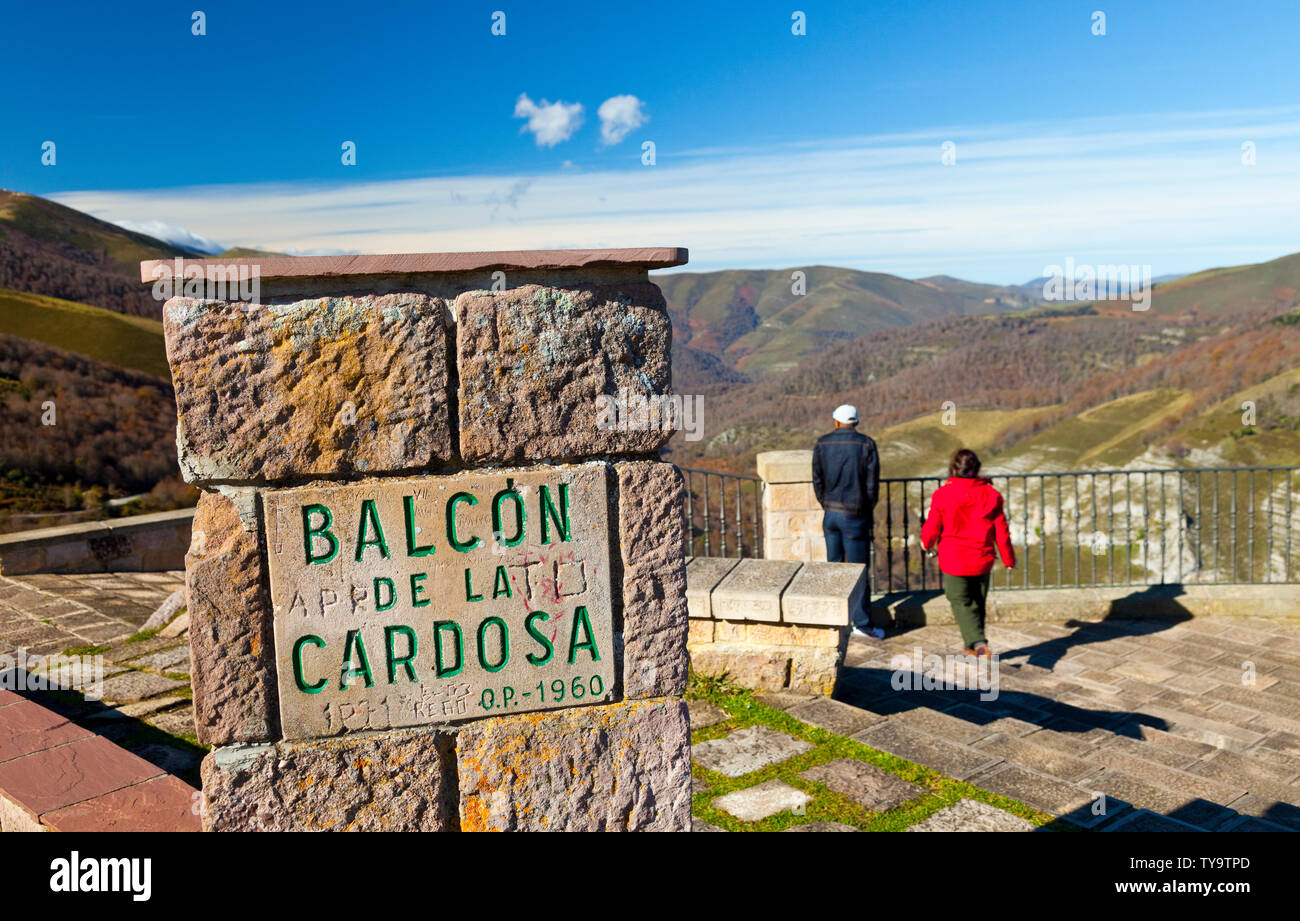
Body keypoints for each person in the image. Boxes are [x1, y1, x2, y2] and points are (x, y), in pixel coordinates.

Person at [920, 448, 1016, 657]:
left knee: (959, 600)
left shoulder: (943, 494)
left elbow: (932, 526)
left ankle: (979, 643)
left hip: (954, 559)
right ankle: (969, 646)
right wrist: (1008, 558)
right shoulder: (991, 495)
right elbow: (1002, 531)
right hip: (982, 558)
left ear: (954, 468)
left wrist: (926, 543)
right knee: (977, 602)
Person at [812, 404, 884, 639]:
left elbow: (817, 479)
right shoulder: (866, 444)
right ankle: (862, 624)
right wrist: (864, 508)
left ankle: (834, 620)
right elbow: (872, 485)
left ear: (835, 422)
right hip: (855, 515)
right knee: (858, 570)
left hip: (831, 514)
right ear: (856, 422)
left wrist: (826, 504)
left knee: (833, 567)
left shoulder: (822, 444)